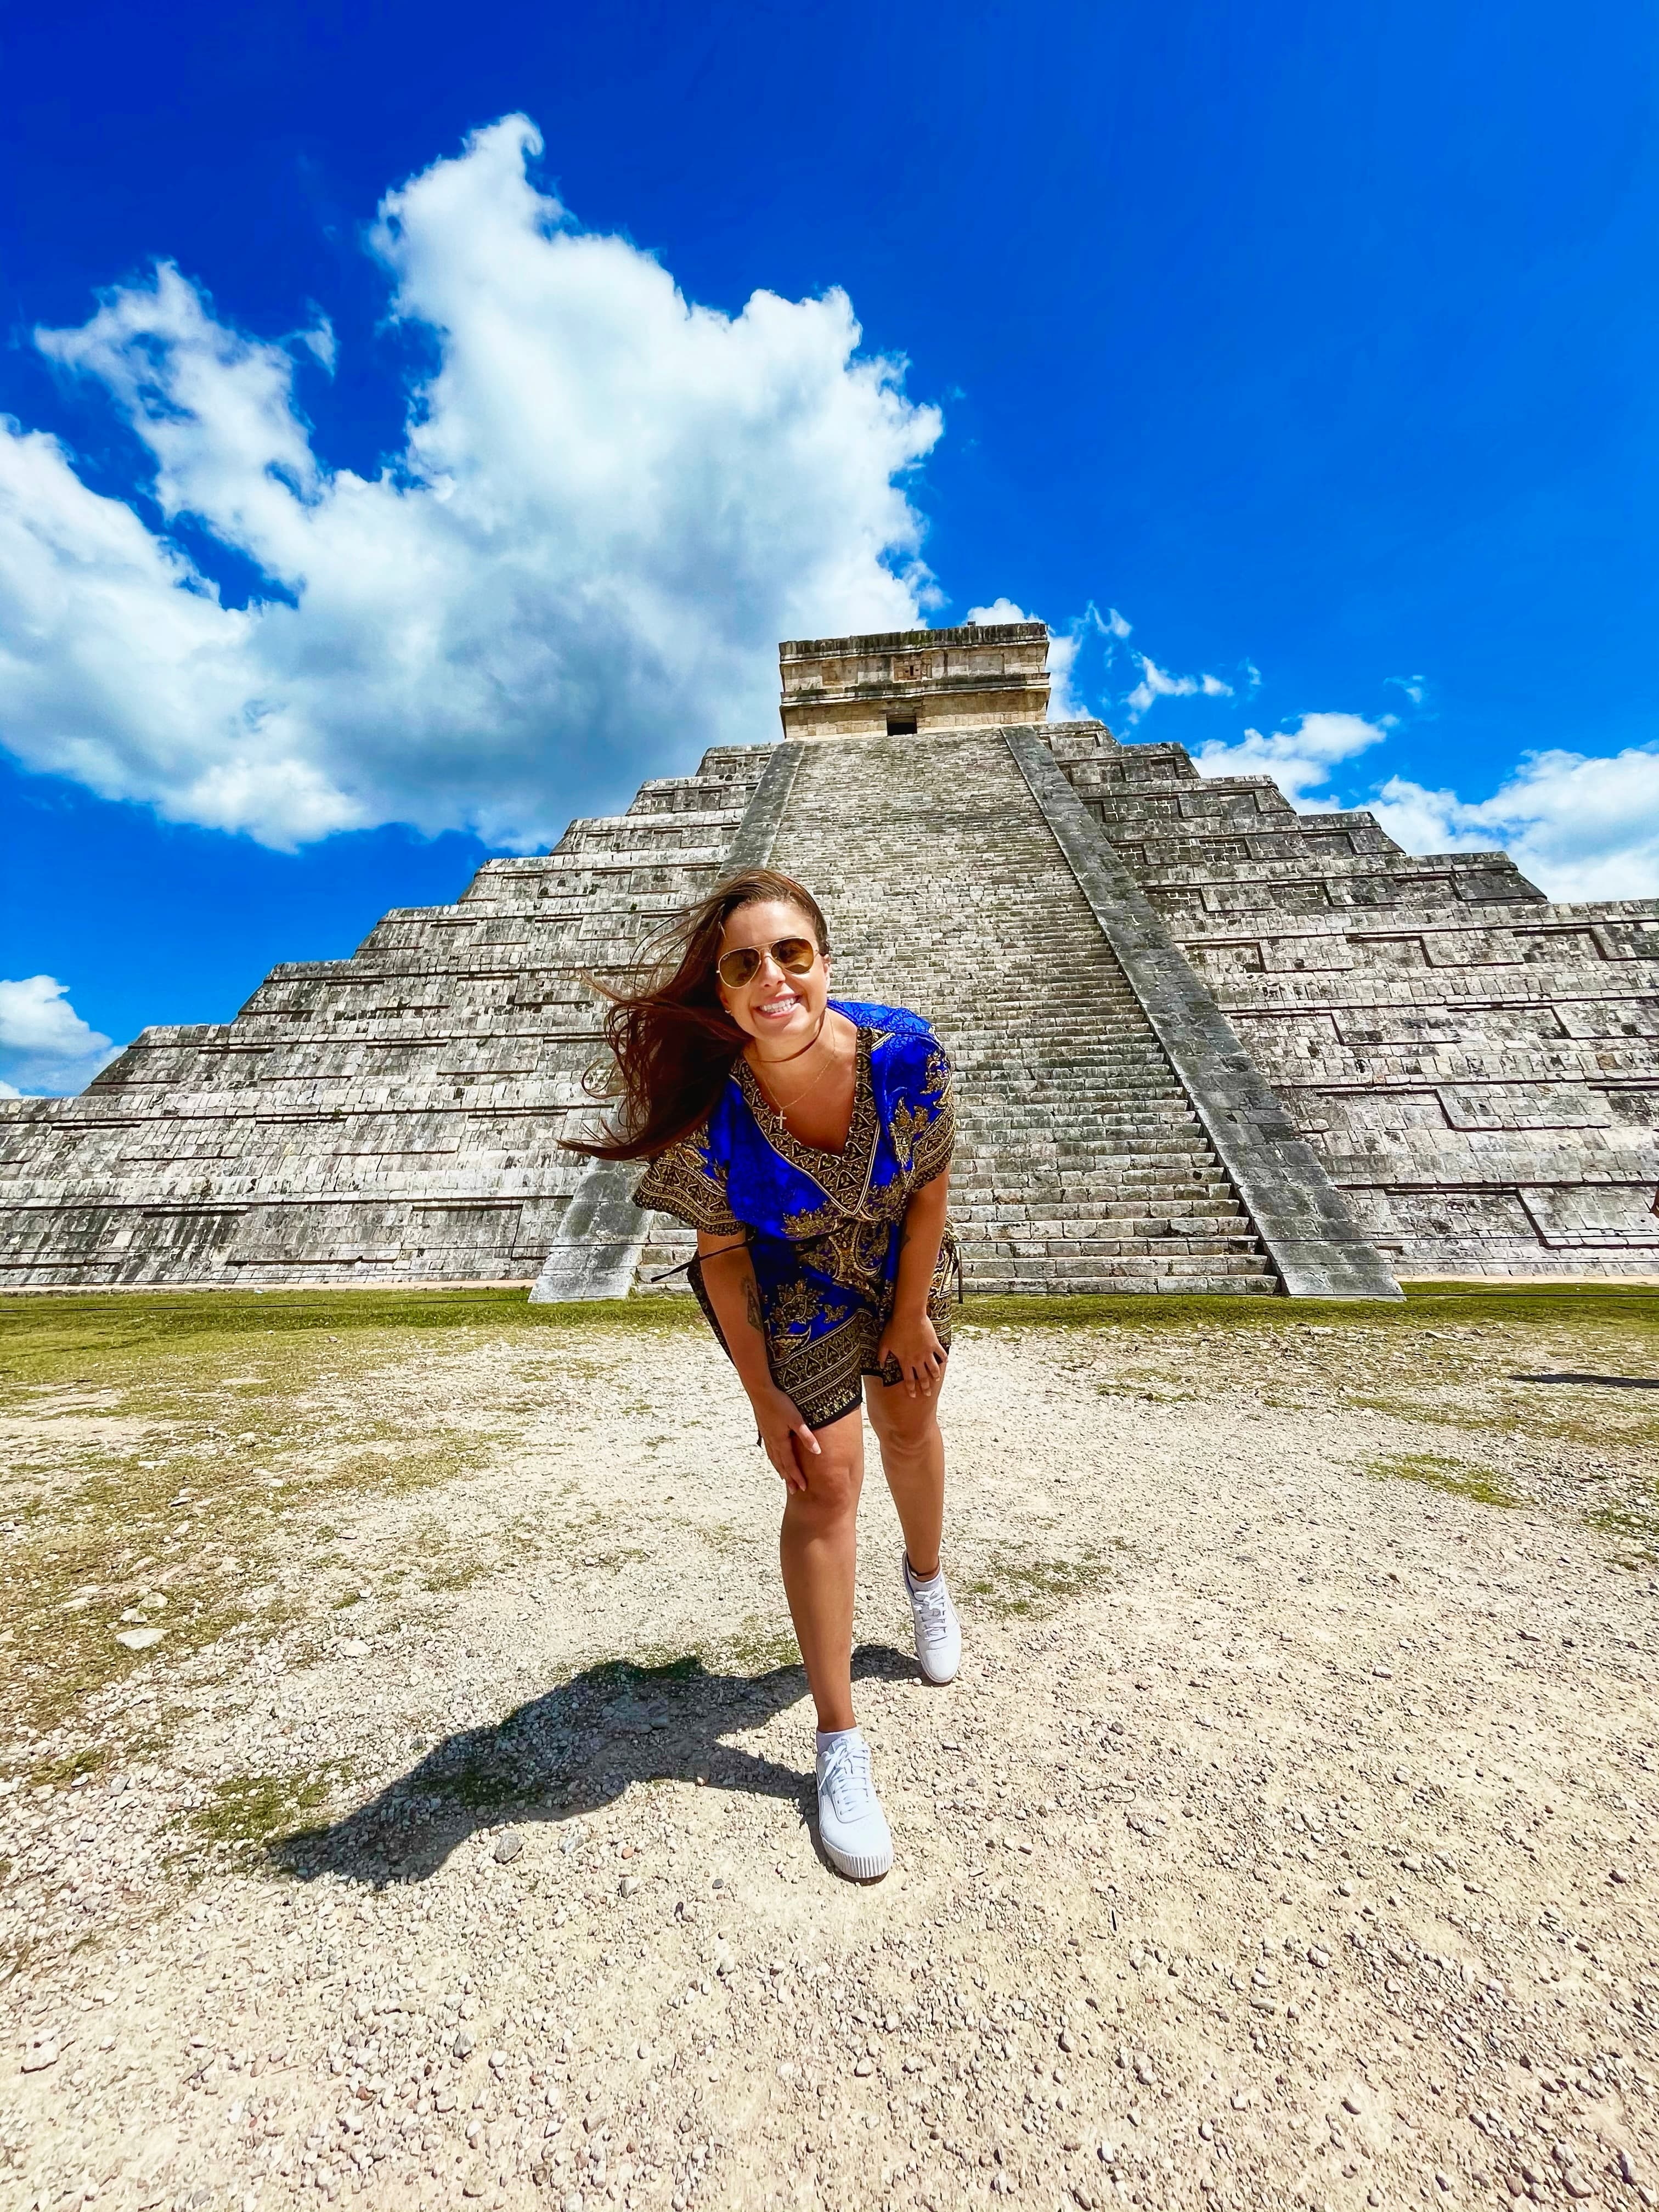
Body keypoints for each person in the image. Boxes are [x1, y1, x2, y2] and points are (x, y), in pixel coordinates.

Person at [567, 868, 962, 1880]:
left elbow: (929, 1190)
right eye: (744, 965)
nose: (773, 979)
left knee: (909, 1427)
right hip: (791, 1282)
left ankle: (925, 1582)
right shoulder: (712, 1105)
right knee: (822, 1480)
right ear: (722, 992)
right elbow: (724, 1253)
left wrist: (910, 1316)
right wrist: (764, 1394)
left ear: (825, 961)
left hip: (900, 1261)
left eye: (792, 954)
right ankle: (839, 1739)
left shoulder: (903, 1052)